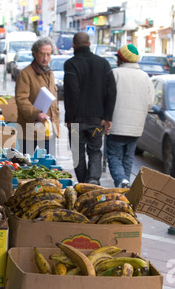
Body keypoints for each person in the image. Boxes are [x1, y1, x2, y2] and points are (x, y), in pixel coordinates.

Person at [63, 32, 117, 185]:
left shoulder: (71, 64)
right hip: (97, 120)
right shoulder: (103, 63)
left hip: (76, 121)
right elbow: (111, 91)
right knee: (95, 151)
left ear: (73, 45)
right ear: (89, 44)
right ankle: (93, 181)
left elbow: (71, 92)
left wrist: (69, 119)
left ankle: (83, 185)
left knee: (77, 154)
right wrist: (107, 117)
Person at [106, 44, 155, 188]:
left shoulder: (115, 74)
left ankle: (122, 181)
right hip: (136, 127)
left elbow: (106, 98)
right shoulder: (145, 77)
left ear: (121, 59)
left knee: (114, 156)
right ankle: (126, 188)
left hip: (116, 125)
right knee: (128, 159)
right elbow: (150, 102)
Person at [15, 37, 59, 155]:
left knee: (48, 166)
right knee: (25, 165)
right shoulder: (25, 74)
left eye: (48, 55)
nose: (45, 58)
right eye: (42, 54)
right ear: (34, 53)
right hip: (29, 131)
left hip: (48, 131)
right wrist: (36, 114)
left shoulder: (50, 73)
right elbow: (21, 100)